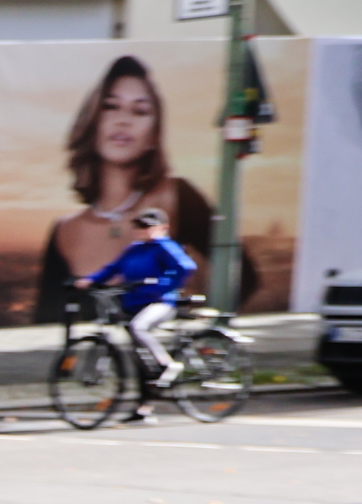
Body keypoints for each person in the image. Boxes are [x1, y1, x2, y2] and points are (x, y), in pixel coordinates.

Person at [36, 55, 250, 322]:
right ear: (94, 122)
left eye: (139, 111)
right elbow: (47, 314)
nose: (123, 120)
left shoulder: (178, 196)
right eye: (111, 107)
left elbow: (244, 280)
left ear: (153, 134)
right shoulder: (64, 231)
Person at [75, 207, 197, 423]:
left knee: (138, 328)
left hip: (159, 303)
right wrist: (90, 280)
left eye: (148, 226)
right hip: (133, 303)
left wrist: (162, 286)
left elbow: (186, 267)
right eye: (139, 226)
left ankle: (167, 364)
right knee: (139, 357)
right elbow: (113, 268)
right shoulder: (134, 249)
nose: (143, 230)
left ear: (163, 228)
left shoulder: (164, 246)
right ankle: (143, 408)